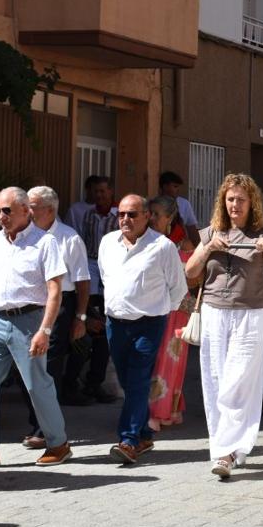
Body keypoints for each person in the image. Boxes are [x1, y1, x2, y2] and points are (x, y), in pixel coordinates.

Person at [0, 188, 71, 470]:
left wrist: (45, 330)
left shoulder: (45, 243)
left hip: (29, 321)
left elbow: (55, 290)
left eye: (6, 210)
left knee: (37, 386)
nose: (1, 216)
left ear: (25, 210)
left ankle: (58, 444)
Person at [185, 174, 263, 479]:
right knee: (216, 380)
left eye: (241, 199)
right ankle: (225, 450)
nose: (235, 204)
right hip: (215, 313)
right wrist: (206, 249)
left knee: (238, 381)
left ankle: (230, 448)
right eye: (230, 199)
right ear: (223, 201)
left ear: (251, 202)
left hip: (251, 314)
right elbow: (189, 272)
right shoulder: (211, 232)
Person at [98, 194, 188, 464]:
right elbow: (105, 276)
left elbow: (178, 288)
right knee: (128, 382)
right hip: (116, 323)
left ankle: (128, 440)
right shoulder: (107, 243)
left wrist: (158, 310)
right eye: (122, 214)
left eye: (132, 214)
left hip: (148, 324)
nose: (126, 219)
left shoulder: (162, 247)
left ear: (147, 216)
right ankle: (145, 432)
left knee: (137, 380)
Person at [22, 186, 91, 446]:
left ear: (50, 210)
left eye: (32, 206)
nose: (27, 211)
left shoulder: (69, 238)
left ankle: (42, 428)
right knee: (25, 366)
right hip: (28, 306)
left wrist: (81, 317)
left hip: (60, 306)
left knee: (48, 366)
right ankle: (36, 421)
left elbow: (83, 281)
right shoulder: (23, 235)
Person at [68, 175, 118, 404]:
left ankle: (94, 383)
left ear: (111, 193)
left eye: (104, 191)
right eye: (96, 192)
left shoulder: (119, 217)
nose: (100, 195)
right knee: (88, 330)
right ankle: (72, 382)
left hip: (110, 273)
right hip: (90, 271)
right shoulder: (87, 214)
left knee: (104, 335)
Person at [146, 195, 195, 431]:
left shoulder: (181, 244)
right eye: (150, 213)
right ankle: (165, 410)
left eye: (157, 214)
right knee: (152, 359)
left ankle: (161, 411)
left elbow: (193, 277)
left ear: (170, 217)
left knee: (169, 362)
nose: (152, 218)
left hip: (176, 308)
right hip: (152, 307)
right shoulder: (144, 240)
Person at [159, 171, 202, 245]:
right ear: (165, 187)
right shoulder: (154, 205)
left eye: (178, 187)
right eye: (175, 186)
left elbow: (191, 229)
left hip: (179, 246)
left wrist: (196, 248)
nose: (178, 190)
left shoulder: (184, 204)